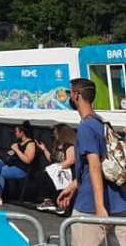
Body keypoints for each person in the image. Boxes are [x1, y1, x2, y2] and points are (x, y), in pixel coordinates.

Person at [57, 78, 126, 244]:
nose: (70, 97)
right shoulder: (100, 122)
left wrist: (99, 207)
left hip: (90, 207)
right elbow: (98, 165)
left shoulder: (86, 127)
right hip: (118, 203)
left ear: (77, 95)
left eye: (70, 93)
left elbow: (94, 165)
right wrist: (73, 186)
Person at [0, 121, 38, 206]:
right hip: (12, 165)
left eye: (16, 131)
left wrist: (17, 150)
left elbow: (28, 160)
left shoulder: (31, 144)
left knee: (1, 172)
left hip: (22, 170)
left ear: (22, 132)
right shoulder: (19, 142)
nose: (15, 133)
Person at [36, 123, 76, 214]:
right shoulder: (57, 146)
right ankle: (49, 201)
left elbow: (70, 160)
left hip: (67, 171)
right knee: (42, 175)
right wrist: (44, 149)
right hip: (58, 170)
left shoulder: (69, 146)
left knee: (48, 175)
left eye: (56, 133)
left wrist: (57, 167)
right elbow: (51, 159)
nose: (55, 135)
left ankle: (63, 205)